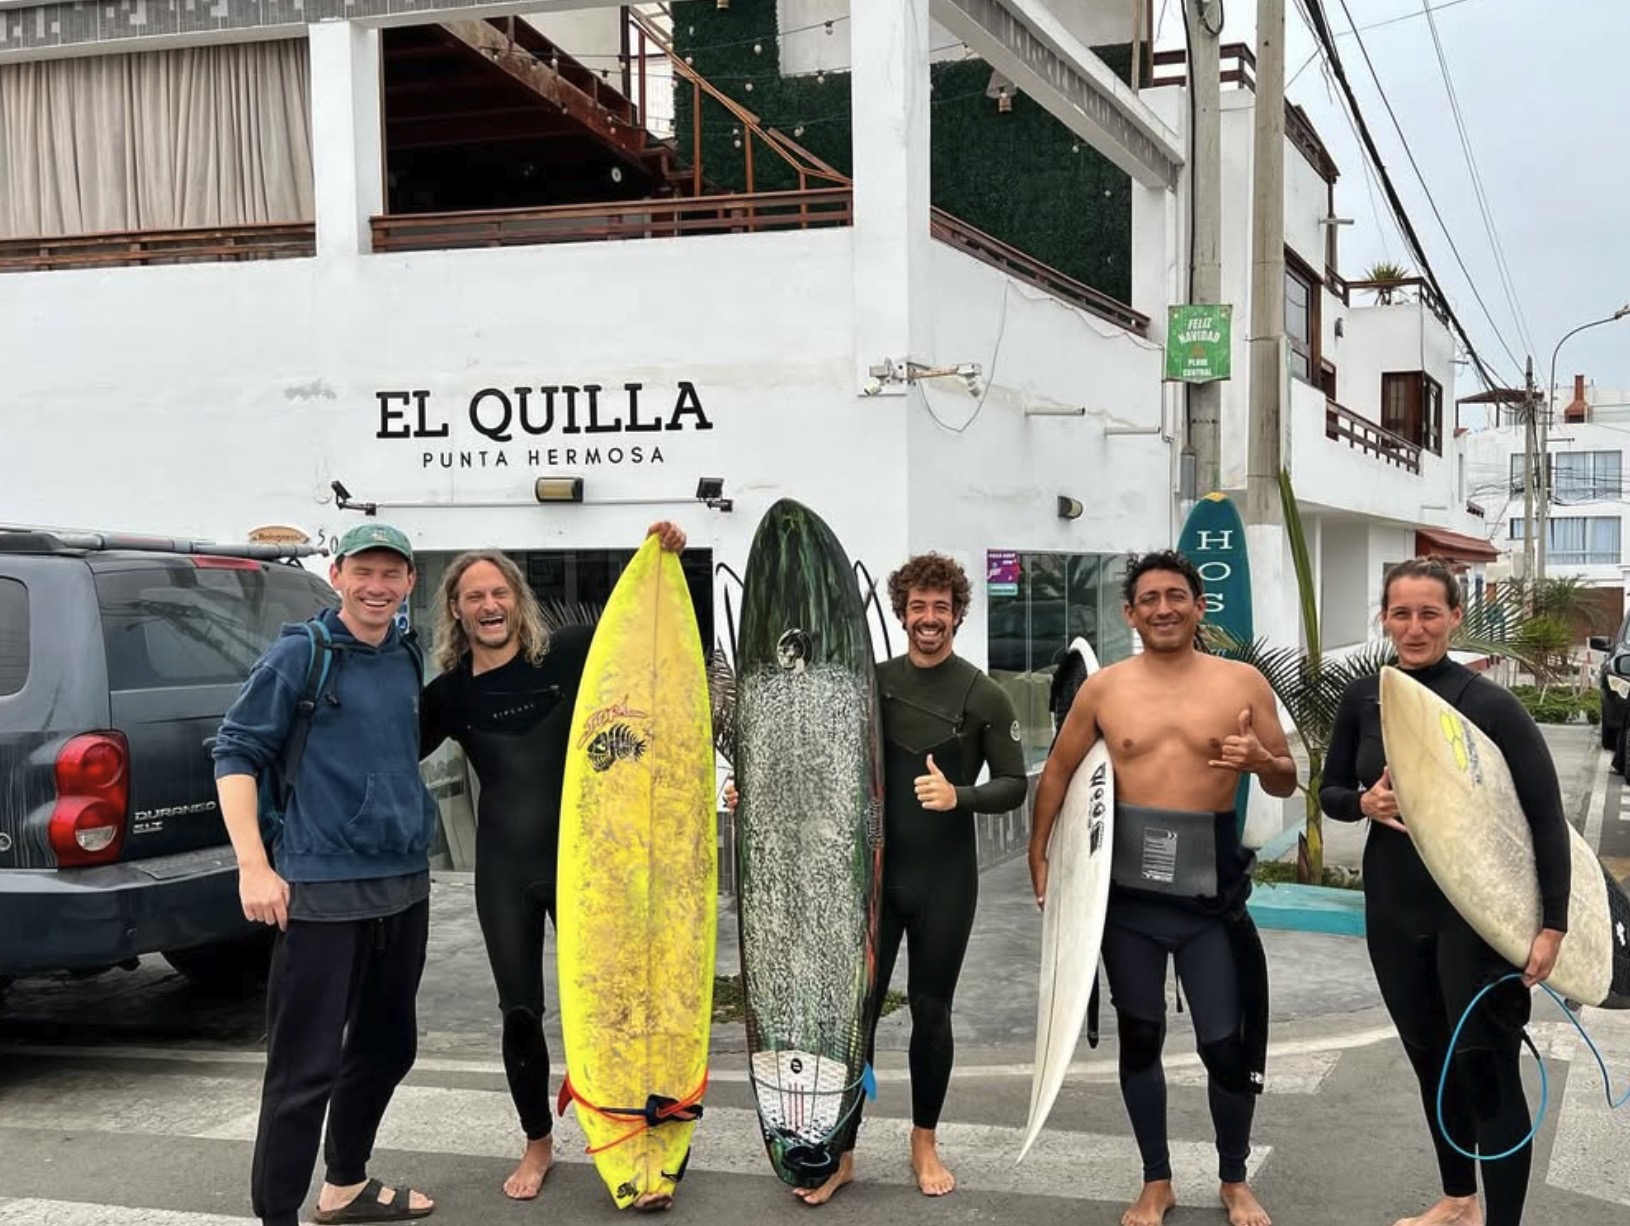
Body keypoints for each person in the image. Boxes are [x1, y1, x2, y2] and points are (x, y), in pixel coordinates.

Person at [729, 551, 1028, 1204]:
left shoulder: (983, 694)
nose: (929, 619)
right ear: (901, 612)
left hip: (943, 879)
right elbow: (810, 757)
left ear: (958, 613)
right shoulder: (868, 681)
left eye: (940, 608)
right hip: (862, 883)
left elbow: (1013, 784)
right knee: (852, 1017)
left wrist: (961, 796)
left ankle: (925, 1142)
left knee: (931, 1012)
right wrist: (752, 794)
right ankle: (843, 1152)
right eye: (917, 607)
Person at [418, 523, 687, 1207]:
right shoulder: (448, 695)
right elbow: (385, 754)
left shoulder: (565, 655)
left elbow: (641, 635)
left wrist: (658, 559)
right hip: (504, 870)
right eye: (473, 595)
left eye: (498, 590)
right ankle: (538, 1141)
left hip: (584, 867)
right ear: (455, 609)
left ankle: (634, 1135)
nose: (488, 604)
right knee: (520, 1013)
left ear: (516, 599)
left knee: (617, 1005)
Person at [1030, 549, 1297, 1226]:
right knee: (1140, 1038)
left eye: (1176, 596)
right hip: (1128, 903)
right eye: (1149, 599)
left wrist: (1262, 760)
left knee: (1223, 1045)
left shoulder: (1242, 684)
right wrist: (1041, 854)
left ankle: (1234, 1178)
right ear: (1130, 613)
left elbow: (1286, 779)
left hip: (1210, 901)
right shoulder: (1105, 690)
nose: (1164, 608)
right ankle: (1156, 1180)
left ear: (1198, 606)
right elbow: (1060, 773)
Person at [1319, 556, 1568, 1226]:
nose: (1415, 626)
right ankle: (1459, 1202)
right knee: (1431, 1061)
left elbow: (1547, 819)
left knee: (1487, 1069)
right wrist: (1361, 802)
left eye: (1430, 612)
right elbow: (1331, 793)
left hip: (1477, 917)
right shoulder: (1366, 697)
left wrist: (1552, 926)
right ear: (1385, 617)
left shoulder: (1490, 704)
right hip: (1395, 911)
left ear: (1457, 617)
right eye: (1401, 612)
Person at [213, 522, 438, 1226]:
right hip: (320, 890)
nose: (377, 587)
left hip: (403, 885)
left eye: (391, 574)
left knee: (388, 1046)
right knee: (302, 1072)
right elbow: (235, 755)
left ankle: (344, 1184)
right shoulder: (299, 655)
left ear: (408, 583)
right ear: (336, 575)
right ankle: (277, 1216)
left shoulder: (406, 653)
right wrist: (255, 866)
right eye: (363, 571)